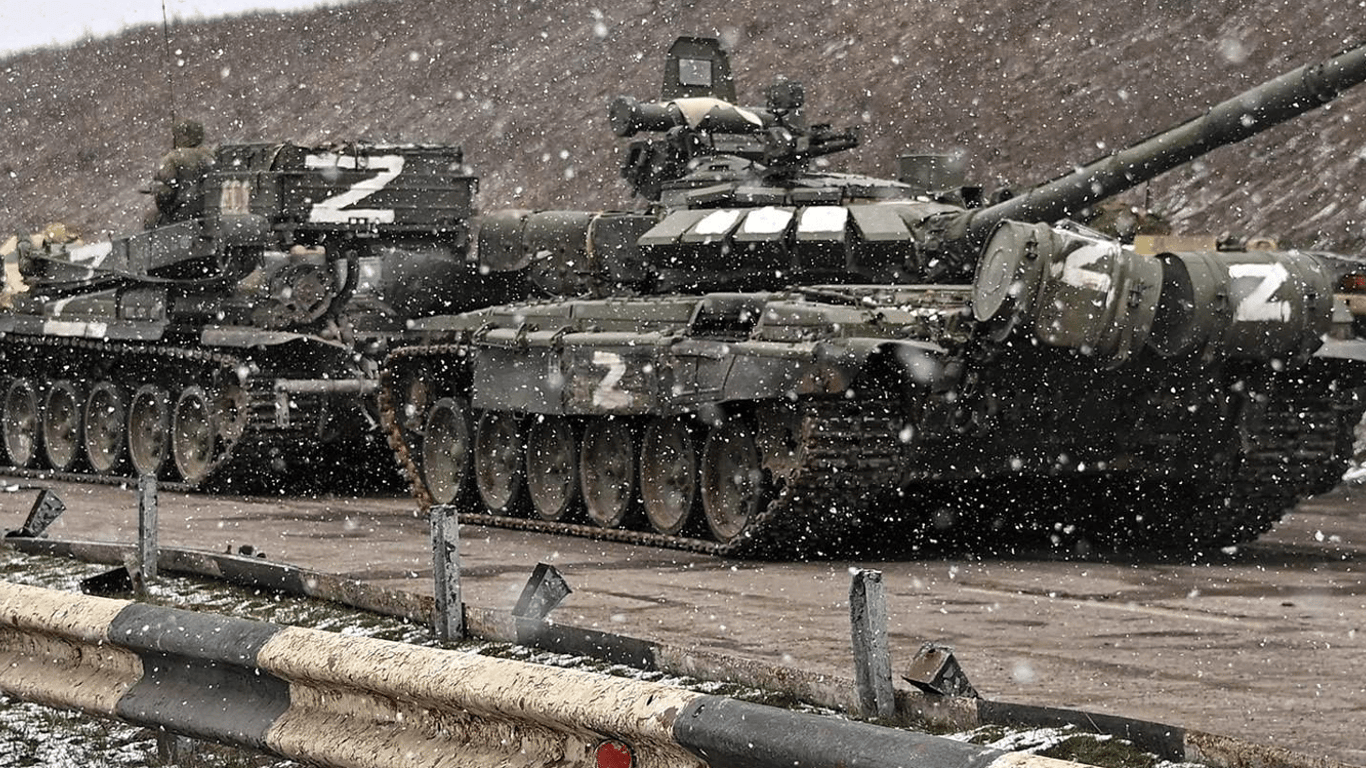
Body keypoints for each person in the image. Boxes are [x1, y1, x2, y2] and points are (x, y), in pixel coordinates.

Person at [146, 120, 215, 228]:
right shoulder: (210, 154)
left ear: (182, 136)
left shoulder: (173, 158)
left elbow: (167, 193)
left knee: (151, 220)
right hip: (209, 214)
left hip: (182, 214)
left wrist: (158, 191)